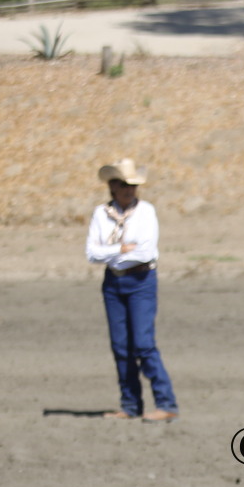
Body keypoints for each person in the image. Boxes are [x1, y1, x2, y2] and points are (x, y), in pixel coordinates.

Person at [85, 159, 178, 422]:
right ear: (113, 187)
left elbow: (145, 252)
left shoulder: (146, 211)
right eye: (124, 185)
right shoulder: (101, 213)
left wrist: (111, 253)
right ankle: (130, 404)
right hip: (113, 282)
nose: (129, 190)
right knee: (120, 346)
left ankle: (166, 403)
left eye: (133, 185)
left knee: (143, 344)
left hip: (141, 280)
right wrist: (120, 249)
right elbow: (91, 253)